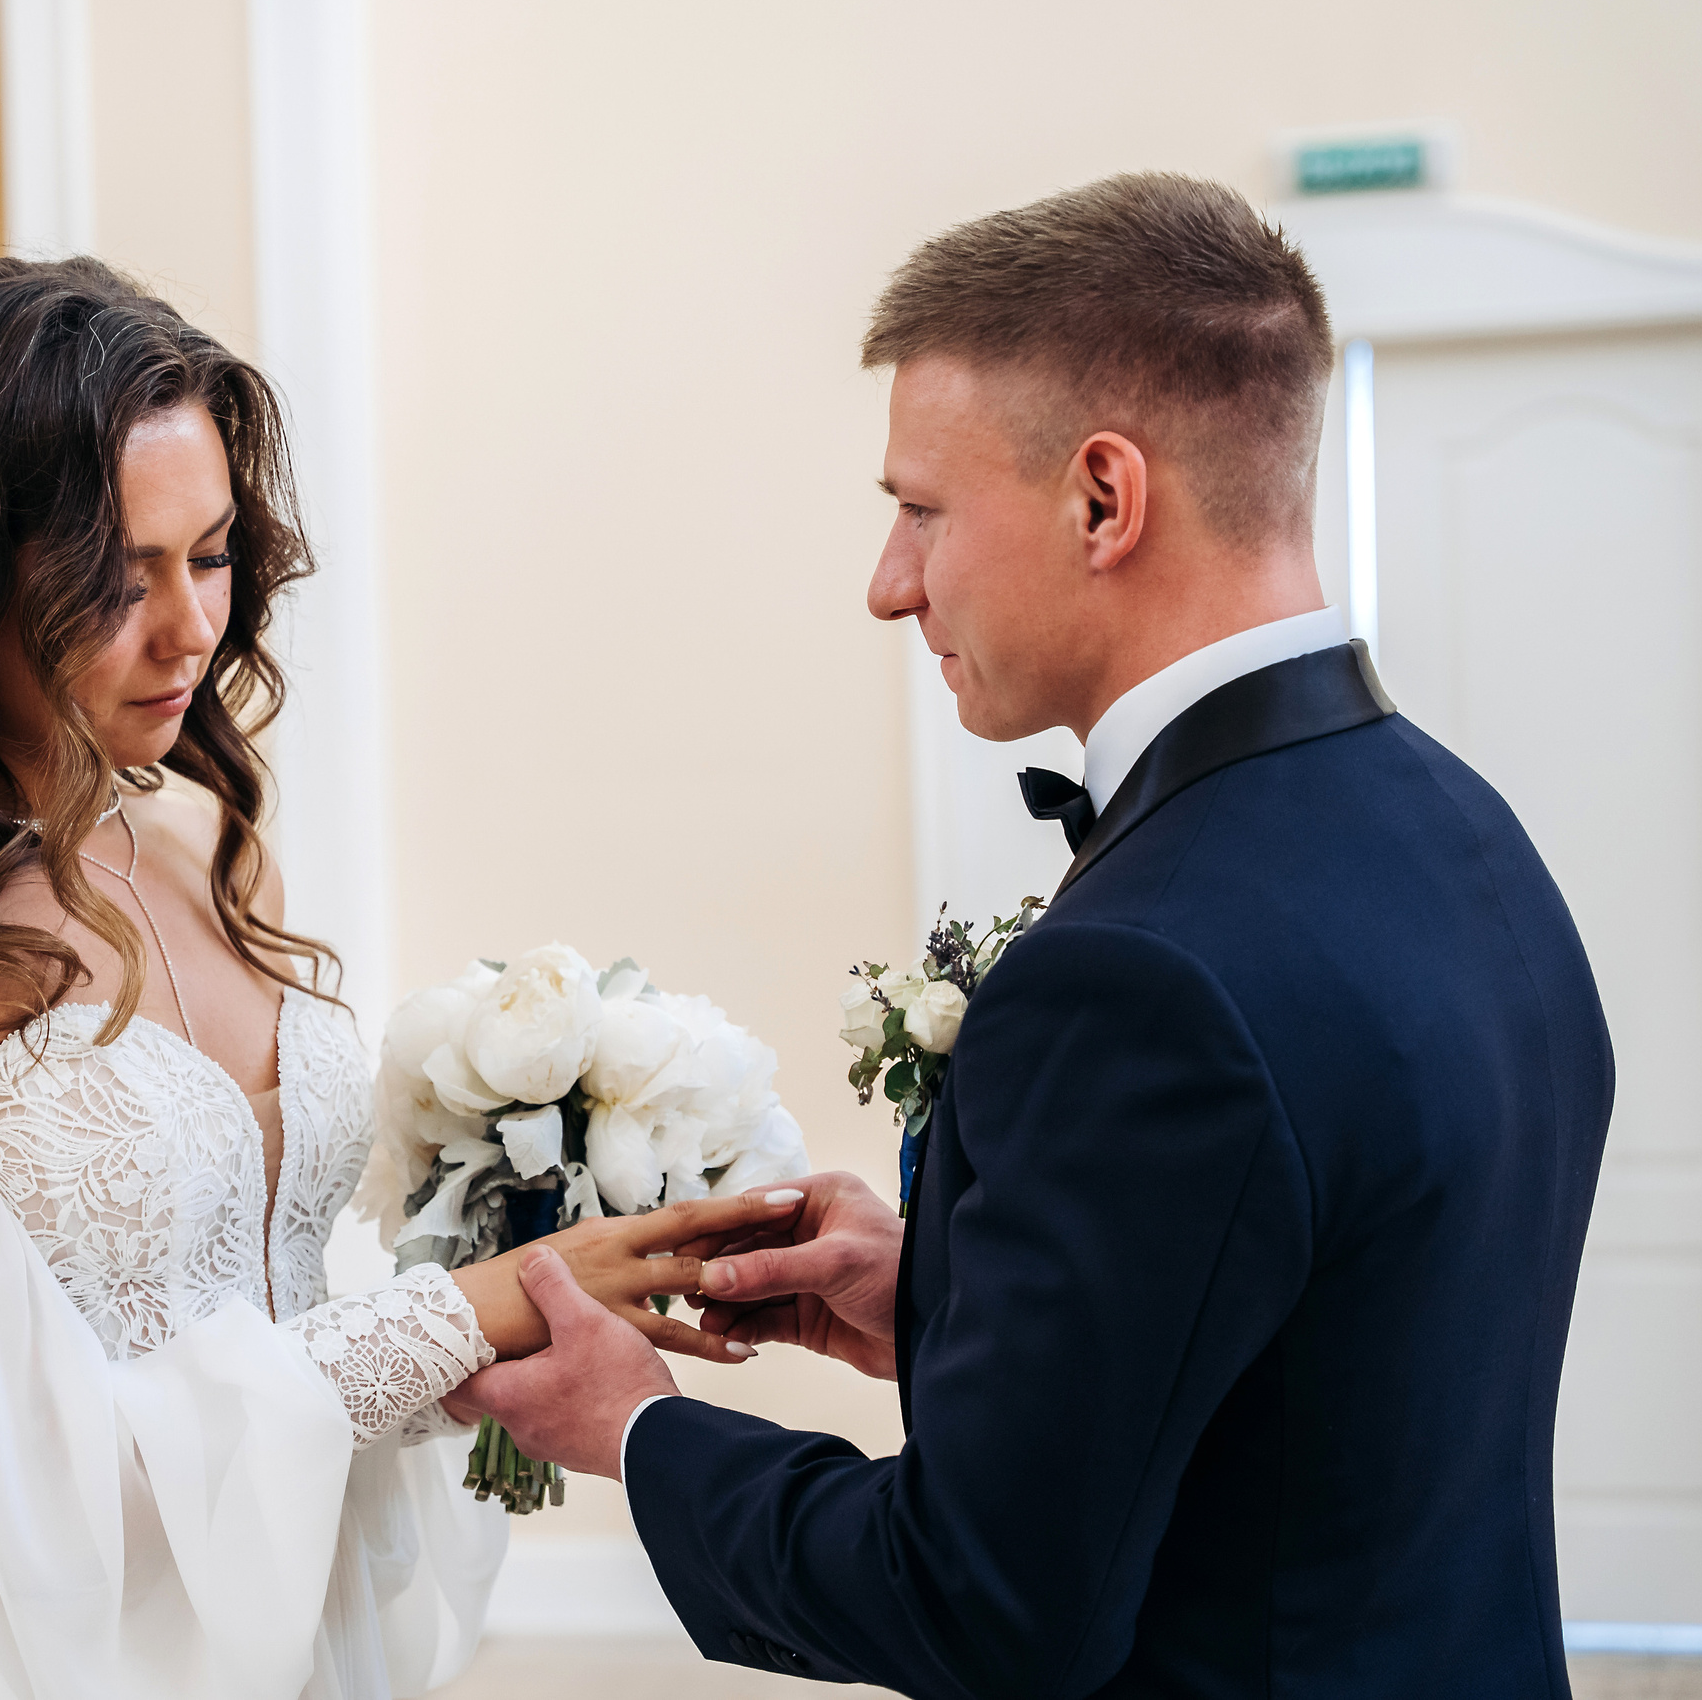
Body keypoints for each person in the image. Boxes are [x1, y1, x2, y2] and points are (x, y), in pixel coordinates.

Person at [452, 174, 1615, 1698]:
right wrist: (945, 1298)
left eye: (921, 511)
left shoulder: (1139, 976)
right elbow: (1330, 1363)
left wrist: (640, 1429)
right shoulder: (1467, 833)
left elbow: (984, 1608)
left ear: (1102, 499)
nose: (889, 585)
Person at [0, 255, 791, 1700]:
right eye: (115, 577)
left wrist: (519, 1275)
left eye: (209, 556)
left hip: (291, 1630)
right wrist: (478, 1310)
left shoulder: (209, 844)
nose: (191, 629)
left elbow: (276, 1337)